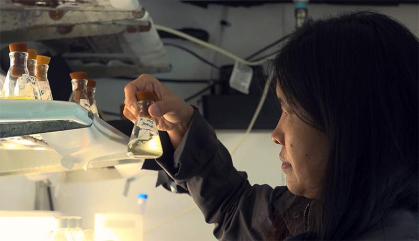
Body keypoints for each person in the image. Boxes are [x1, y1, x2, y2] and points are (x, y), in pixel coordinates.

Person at [123, 11, 418, 240]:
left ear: (346, 124)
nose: (276, 135)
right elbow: (234, 210)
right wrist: (182, 126)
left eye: (289, 109)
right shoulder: (327, 208)